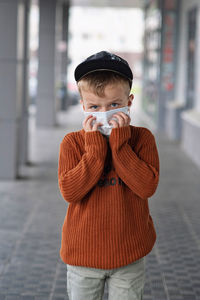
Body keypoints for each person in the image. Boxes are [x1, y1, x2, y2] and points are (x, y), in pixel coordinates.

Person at [58, 51, 160, 300]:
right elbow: (71, 192)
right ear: (83, 106)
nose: (104, 113)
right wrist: (94, 149)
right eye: (94, 107)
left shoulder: (142, 139)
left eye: (114, 105)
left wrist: (120, 145)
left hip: (129, 254)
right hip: (83, 256)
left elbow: (146, 186)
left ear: (129, 101)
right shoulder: (72, 143)